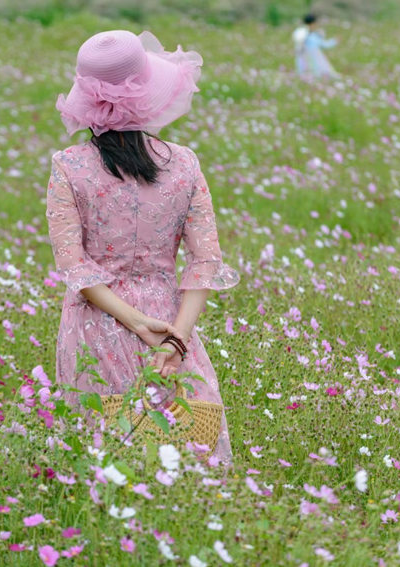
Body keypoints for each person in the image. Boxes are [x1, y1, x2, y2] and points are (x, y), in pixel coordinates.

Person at [48, 30, 240, 462]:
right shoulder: (184, 163)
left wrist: (134, 322)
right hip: (170, 319)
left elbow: (75, 267)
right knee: (189, 447)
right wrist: (176, 342)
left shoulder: (68, 166)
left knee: (103, 453)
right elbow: (205, 262)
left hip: (95, 322)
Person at [294, 13, 338, 79]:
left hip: (304, 63)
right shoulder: (313, 36)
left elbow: (298, 51)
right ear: (312, 24)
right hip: (315, 61)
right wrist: (334, 41)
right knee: (323, 75)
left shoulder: (301, 34)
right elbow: (324, 45)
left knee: (308, 76)